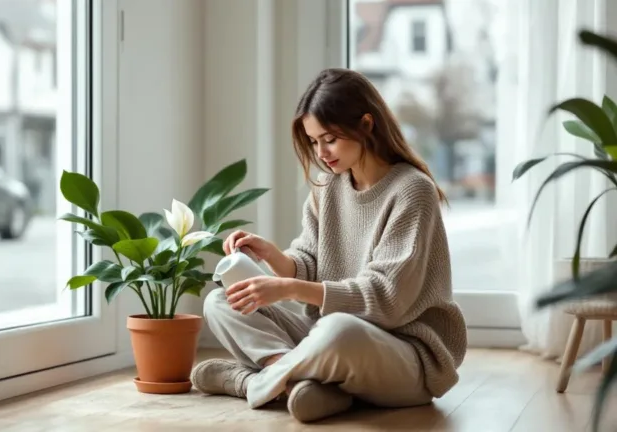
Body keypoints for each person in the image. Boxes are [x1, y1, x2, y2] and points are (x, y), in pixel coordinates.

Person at [189, 68, 468, 423]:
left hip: (405, 358)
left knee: (339, 330)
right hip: (328, 341)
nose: (321, 153)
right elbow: (308, 261)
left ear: (366, 124)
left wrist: (287, 288)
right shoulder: (328, 187)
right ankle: (303, 388)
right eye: (313, 142)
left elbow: (387, 300)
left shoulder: (412, 190)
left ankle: (252, 383)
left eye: (330, 139)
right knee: (220, 302)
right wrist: (271, 255)